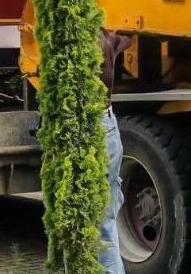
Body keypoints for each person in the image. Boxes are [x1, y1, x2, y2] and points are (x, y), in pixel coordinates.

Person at [99, 29, 131, 274]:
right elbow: (125, 40)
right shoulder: (108, 41)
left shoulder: (75, 49)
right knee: (106, 219)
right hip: (108, 126)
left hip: (87, 128)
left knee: (97, 225)